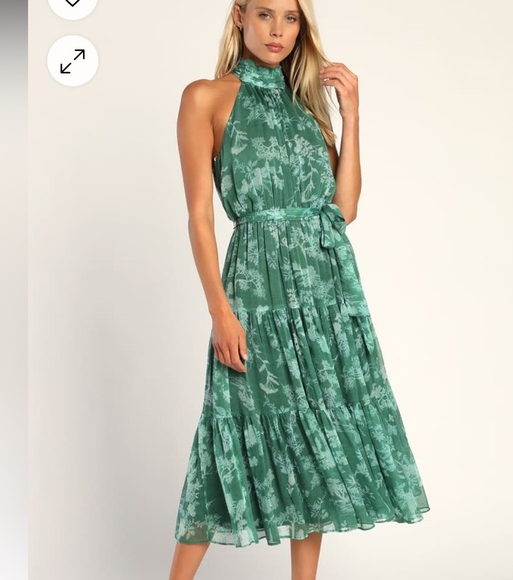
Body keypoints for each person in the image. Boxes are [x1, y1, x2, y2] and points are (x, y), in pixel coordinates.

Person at [169, 0, 430, 578]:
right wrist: (221, 311)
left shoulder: (308, 102)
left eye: (290, 19)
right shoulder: (205, 98)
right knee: (225, 433)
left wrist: (351, 115)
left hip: (325, 293)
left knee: (316, 441)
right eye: (265, 15)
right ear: (240, 16)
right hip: (255, 291)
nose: (278, 31)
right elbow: (200, 217)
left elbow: (344, 207)